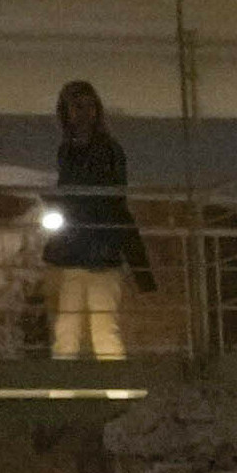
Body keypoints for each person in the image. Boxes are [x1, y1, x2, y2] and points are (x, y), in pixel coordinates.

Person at [42, 77, 152, 361]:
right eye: (77, 107)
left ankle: (89, 383)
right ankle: (76, 384)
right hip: (84, 251)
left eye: (87, 106)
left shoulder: (100, 150)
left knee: (96, 329)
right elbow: (110, 201)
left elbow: (112, 201)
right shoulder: (71, 151)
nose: (83, 113)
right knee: (73, 330)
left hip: (94, 252)